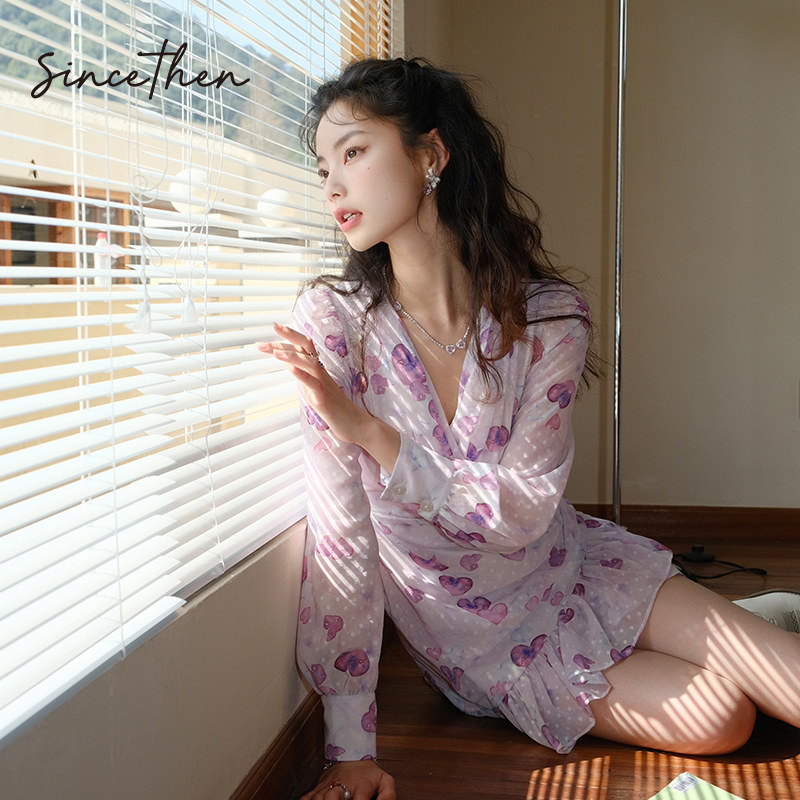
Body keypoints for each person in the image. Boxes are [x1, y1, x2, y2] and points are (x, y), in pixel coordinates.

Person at [258, 57, 800, 800]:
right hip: (487, 644)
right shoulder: (335, 325)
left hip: (576, 565)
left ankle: (749, 624)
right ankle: (751, 622)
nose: (331, 185)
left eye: (353, 152)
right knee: (722, 719)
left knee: (787, 680)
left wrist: (368, 430)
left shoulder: (548, 317)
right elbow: (342, 541)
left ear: (430, 154)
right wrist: (350, 747)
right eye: (323, 166)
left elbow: (521, 512)